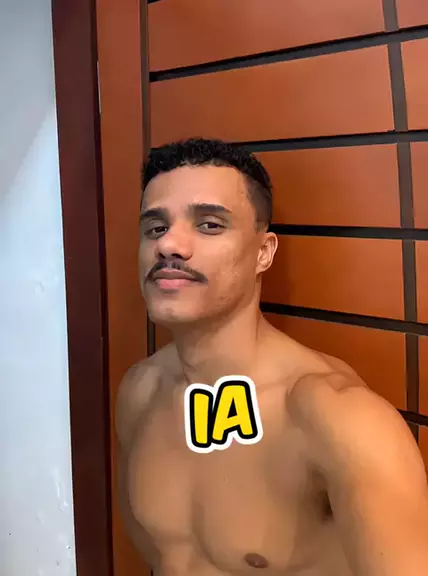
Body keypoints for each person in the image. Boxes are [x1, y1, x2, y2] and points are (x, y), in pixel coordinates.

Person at [116, 138, 428, 576]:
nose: (169, 244)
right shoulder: (138, 394)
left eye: (209, 225)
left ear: (263, 252)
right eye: (155, 227)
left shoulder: (341, 421)